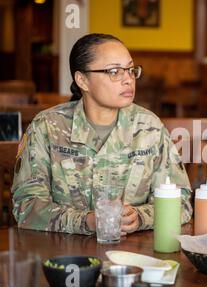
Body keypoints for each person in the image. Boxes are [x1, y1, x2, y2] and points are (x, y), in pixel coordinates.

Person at [12, 33, 193, 235]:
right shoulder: (46, 127)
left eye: (131, 70)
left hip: (132, 256)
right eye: (114, 71)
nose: (128, 79)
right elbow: (26, 206)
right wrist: (86, 221)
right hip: (65, 256)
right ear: (82, 80)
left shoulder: (150, 128)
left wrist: (140, 217)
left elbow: (182, 204)